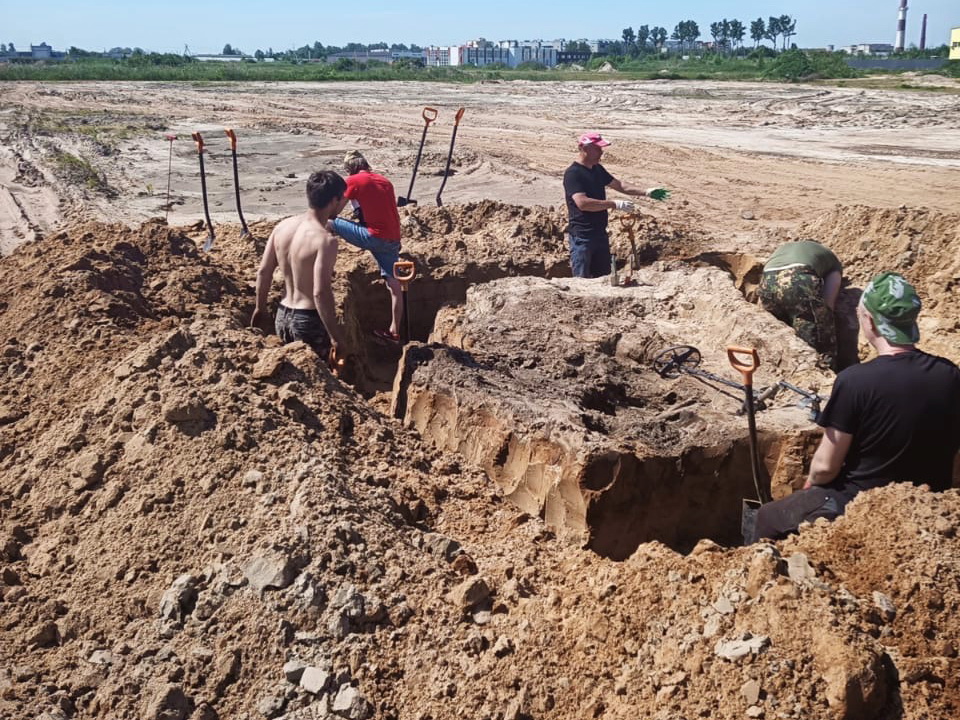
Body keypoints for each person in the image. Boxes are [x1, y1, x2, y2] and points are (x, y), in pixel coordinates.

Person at [753, 271, 960, 542]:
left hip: (861, 502)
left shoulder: (856, 381)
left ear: (871, 322)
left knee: (766, 518)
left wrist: (810, 488)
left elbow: (826, 466)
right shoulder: (950, 374)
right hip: (926, 500)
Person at [251, 170, 348, 362]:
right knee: (317, 382)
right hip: (308, 320)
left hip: (282, 315)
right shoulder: (325, 240)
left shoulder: (282, 227)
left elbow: (264, 271)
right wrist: (336, 337)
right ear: (334, 200)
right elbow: (320, 292)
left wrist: (259, 308)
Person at [562, 132, 669, 279]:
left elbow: (620, 185)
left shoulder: (597, 169)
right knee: (582, 281)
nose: (601, 152)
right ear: (584, 148)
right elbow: (583, 203)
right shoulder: (573, 174)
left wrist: (647, 192)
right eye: (597, 148)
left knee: (604, 278)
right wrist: (614, 204)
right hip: (582, 237)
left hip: (600, 234)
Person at [327, 150, 404, 344]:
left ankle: (323, 265)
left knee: (328, 223)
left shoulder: (353, 181)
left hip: (374, 236)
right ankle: (394, 331)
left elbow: (335, 212)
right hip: (393, 239)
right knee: (394, 286)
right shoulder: (385, 181)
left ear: (349, 169)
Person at [758, 240, 843, 370]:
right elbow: (829, 300)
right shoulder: (832, 261)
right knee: (817, 338)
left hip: (767, 281)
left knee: (779, 329)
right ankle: (824, 372)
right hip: (798, 278)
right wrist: (824, 318)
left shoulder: (784, 248)